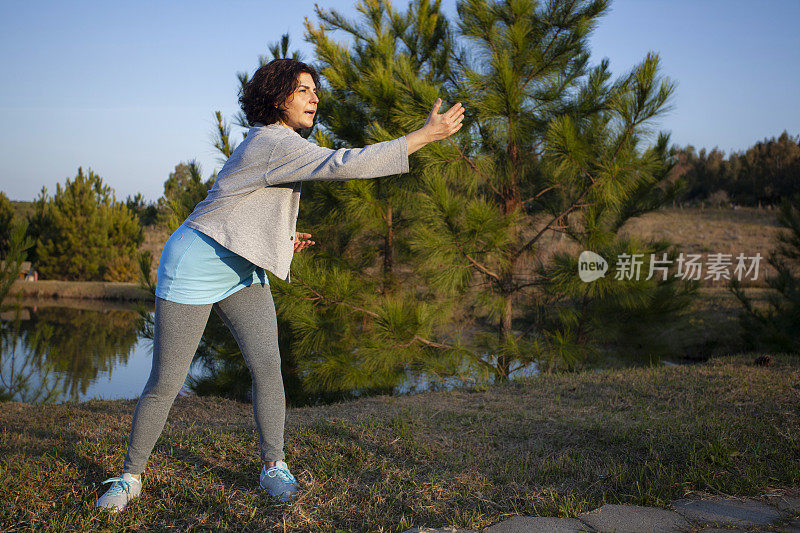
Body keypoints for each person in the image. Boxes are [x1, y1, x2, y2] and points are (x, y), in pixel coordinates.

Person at [97, 57, 464, 512]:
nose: (315, 98)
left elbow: (244, 204)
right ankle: (130, 476)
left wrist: (278, 238)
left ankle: (273, 466)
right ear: (277, 99)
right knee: (167, 381)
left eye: (315, 90)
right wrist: (423, 136)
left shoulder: (279, 143)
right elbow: (341, 164)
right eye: (303, 90)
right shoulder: (272, 141)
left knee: (268, 366)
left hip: (241, 266)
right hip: (194, 263)